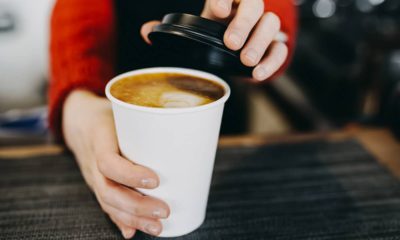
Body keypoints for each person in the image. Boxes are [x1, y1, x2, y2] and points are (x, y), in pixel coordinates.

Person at [49, 0, 297, 238]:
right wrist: (80, 102)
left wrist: (260, 27)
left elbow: (272, 12)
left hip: (222, 119)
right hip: (118, 97)